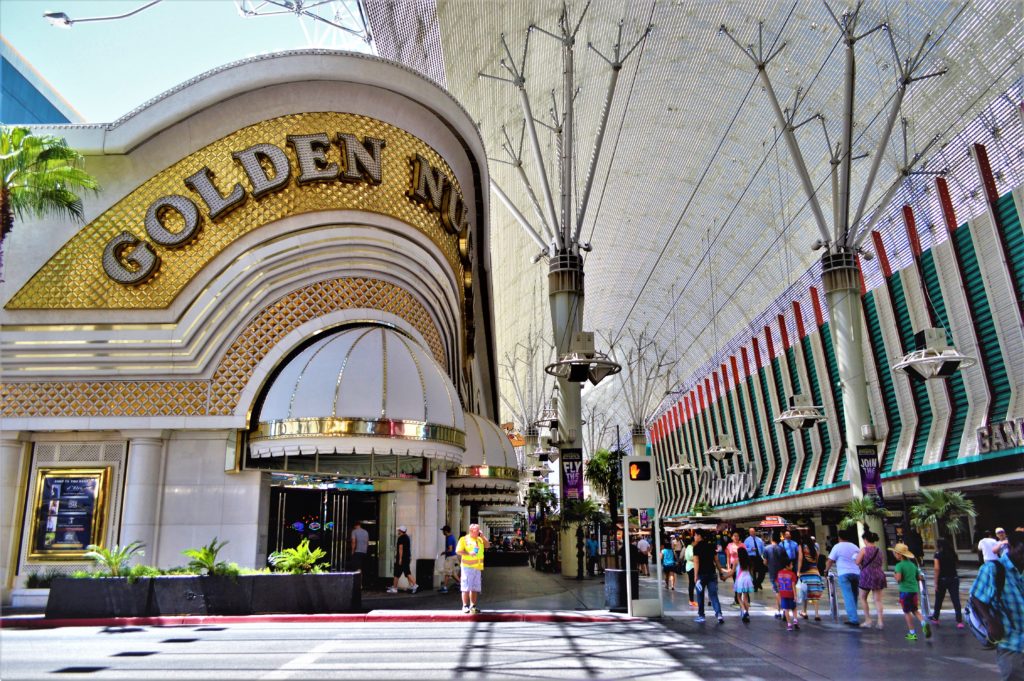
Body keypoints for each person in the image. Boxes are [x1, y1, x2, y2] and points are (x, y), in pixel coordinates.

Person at [971, 530, 1024, 680]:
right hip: (1011, 644)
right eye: (1021, 552)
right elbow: (976, 596)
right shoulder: (993, 569)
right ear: (1010, 547)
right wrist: (990, 620)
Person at [892, 542, 930, 640]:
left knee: (907, 612)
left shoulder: (899, 566)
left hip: (905, 591)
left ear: (900, 555)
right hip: (914, 591)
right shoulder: (912, 565)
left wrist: (895, 575)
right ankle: (924, 623)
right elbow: (919, 577)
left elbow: (899, 578)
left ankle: (912, 633)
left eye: (896, 553)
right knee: (915, 610)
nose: (895, 554)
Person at [826, 532, 861, 627]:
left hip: (844, 573)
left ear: (839, 537)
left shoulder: (837, 546)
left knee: (847, 595)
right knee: (854, 595)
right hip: (856, 572)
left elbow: (830, 560)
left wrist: (826, 570)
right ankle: (854, 615)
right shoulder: (854, 546)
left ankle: (853, 619)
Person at [456, 523, 491, 614]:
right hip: (467, 567)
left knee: (475, 588)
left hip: (477, 567)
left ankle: (473, 606)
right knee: (466, 587)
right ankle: (465, 606)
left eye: (479, 530)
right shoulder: (464, 539)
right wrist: (469, 553)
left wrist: (483, 537)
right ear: (471, 531)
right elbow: (458, 551)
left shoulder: (479, 539)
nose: (479, 532)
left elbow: (487, 545)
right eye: (477, 530)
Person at [856, 530, 887, 629]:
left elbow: (857, 562)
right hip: (878, 574)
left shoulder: (864, 550)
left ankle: (868, 620)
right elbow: (881, 562)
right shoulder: (879, 550)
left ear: (865, 539)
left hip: (866, 575)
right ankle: (880, 622)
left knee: (863, 597)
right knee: (878, 600)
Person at [930, 536, 963, 628]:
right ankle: (959, 620)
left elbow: (937, 568)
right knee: (955, 599)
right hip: (954, 578)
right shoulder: (953, 554)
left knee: (939, 599)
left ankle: (935, 617)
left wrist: (935, 582)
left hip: (942, 579)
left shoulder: (937, 554)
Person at [692, 530, 724, 624]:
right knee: (713, 595)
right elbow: (716, 560)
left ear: (699, 536)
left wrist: (695, 576)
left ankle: (701, 616)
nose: (694, 537)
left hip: (701, 575)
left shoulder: (696, 547)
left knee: (700, 595)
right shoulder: (711, 546)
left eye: (695, 535)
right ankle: (719, 614)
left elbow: (696, 562)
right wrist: (721, 572)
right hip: (712, 573)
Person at [797, 535, 824, 621]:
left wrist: (798, 571)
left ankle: (804, 612)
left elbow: (800, 559)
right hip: (815, 572)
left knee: (804, 592)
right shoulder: (815, 547)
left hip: (805, 573)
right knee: (815, 594)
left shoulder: (801, 546)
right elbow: (816, 560)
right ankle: (817, 614)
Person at [763, 532, 789, 619]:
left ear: (771, 539)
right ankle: (783, 610)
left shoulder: (766, 548)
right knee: (783, 591)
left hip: (773, 572)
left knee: (777, 592)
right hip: (782, 572)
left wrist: (769, 565)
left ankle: (780, 610)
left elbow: (765, 562)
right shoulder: (782, 549)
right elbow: (787, 561)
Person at [387, 525, 418, 594]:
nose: (398, 531)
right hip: (406, 557)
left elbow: (400, 549)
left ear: (401, 531)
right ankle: (412, 585)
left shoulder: (400, 538)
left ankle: (396, 588)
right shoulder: (407, 537)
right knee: (406, 572)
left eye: (399, 530)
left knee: (397, 573)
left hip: (402, 558)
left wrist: (400, 559)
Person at [729, 546, 755, 623]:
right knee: (746, 597)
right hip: (748, 579)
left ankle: (744, 611)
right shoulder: (749, 560)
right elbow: (751, 572)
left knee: (739, 597)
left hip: (740, 579)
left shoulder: (736, 561)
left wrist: (725, 577)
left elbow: (732, 572)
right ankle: (747, 613)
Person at [777, 557, 800, 631]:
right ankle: (795, 620)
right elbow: (793, 586)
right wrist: (795, 595)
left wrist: (779, 594)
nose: (792, 566)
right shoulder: (792, 574)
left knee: (786, 609)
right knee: (794, 608)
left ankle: (789, 625)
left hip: (783, 594)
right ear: (787, 566)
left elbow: (778, 584)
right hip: (791, 594)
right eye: (791, 565)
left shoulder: (779, 573)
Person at [439, 525, 459, 593]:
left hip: (450, 557)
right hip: (453, 557)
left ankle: (445, 587)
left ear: (445, 531)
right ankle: (462, 584)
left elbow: (450, 549)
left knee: (447, 572)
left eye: (443, 531)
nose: (442, 532)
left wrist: (444, 552)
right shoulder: (452, 537)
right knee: (452, 573)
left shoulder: (449, 538)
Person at [683, 534, 697, 607]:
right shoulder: (690, 547)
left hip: (689, 567)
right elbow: (692, 557)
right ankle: (691, 600)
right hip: (692, 567)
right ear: (693, 542)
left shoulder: (688, 547)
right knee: (692, 584)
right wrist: (697, 559)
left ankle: (691, 600)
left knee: (692, 583)